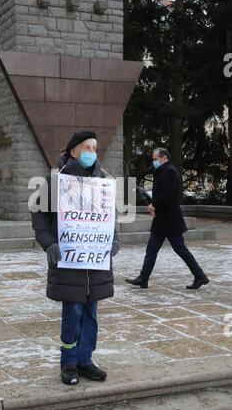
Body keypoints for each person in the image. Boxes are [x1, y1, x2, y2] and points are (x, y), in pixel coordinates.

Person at [32, 130, 121, 385]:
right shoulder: (56, 181)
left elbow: (109, 217)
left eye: (95, 147)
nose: (92, 152)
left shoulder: (103, 181)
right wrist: (48, 242)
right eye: (86, 147)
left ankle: (85, 359)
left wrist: (113, 239)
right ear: (73, 151)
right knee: (72, 312)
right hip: (69, 262)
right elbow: (37, 213)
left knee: (91, 313)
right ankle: (69, 362)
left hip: (95, 263)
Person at [125, 148, 209, 290]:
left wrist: (153, 204)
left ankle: (200, 276)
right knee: (151, 249)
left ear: (163, 158)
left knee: (180, 249)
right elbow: (161, 193)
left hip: (170, 220)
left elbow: (167, 194)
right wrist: (154, 205)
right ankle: (143, 278)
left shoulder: (169, 171)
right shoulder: (163, 170)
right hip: (162, 219)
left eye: (155, 158)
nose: (154, 161)